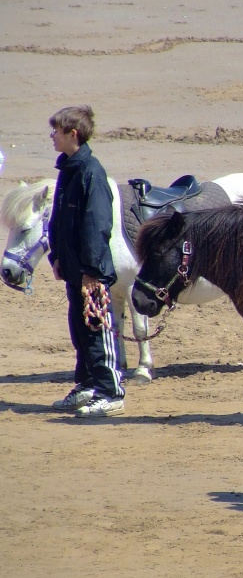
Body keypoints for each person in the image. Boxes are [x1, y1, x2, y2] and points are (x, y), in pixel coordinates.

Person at [47, 105, 126, 418]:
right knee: (79, 333)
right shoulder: (69, 170)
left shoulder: (92, 172)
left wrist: (91, 272)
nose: (52, 136)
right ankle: (87, 387)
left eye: (57, 130)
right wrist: (57, 257)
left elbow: (97, 225)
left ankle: (111, 394)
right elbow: (58, 221)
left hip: (91, 275)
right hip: (73, 272)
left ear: (72, 134)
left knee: (96, 333)